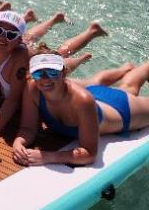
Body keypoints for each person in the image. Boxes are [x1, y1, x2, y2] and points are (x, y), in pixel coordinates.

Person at [13, 53, 149, 166]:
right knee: (128, 87)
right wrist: (18, 143)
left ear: (63, 72)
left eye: (52, 72)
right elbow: (27, 128)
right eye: (38, 73)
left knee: (128, 91)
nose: (44, 79)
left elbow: (89, 154)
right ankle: (134, 68)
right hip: (94, 96)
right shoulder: (32, 89)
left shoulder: (83, 101)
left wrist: (47, 157)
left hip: (121, 110)